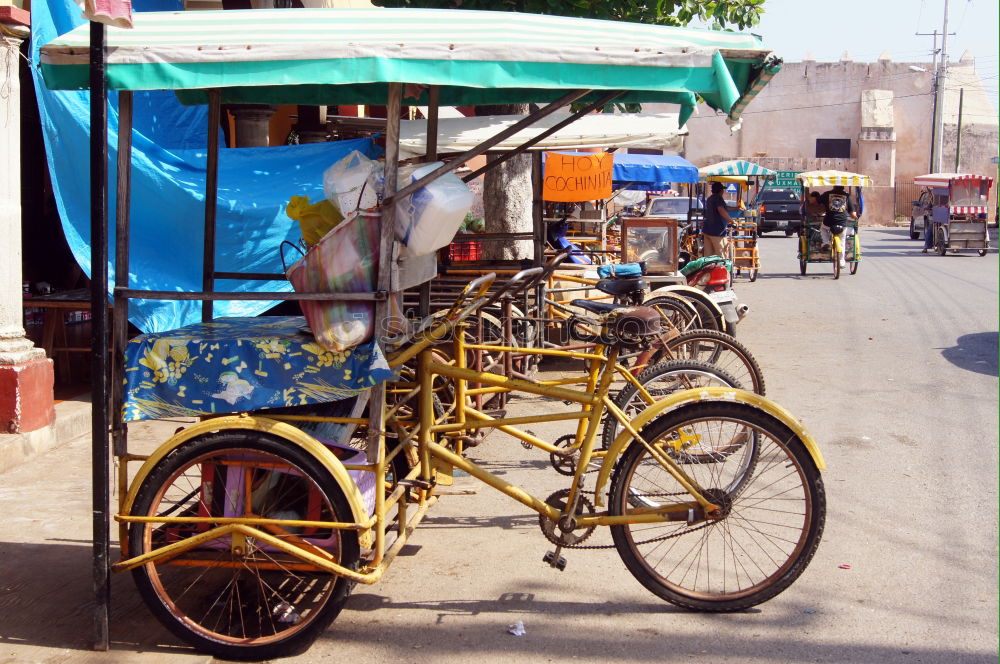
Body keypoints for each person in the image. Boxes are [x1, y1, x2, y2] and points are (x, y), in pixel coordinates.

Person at [818, 185, 857, 267]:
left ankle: (826, 242)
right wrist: (856, 218)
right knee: (842, 241)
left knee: (822, 228)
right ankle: (842, 261)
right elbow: (852, 213)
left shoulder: (827, 194)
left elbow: (817, 201)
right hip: (842, 223)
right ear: (843, 187)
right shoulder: (846, 196)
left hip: (829, 222)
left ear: (834, 186)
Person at [702, 181, 734, 258]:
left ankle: (709, 269)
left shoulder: (710, 199)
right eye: (722, 190)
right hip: (717, 232)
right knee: (720, 254)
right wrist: (731, 220)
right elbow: (721, 209)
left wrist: (736, 208)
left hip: (707, 230)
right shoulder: (718, 198)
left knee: (708, 256)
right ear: (720, 190)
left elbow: (723, 208)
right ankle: (722, 269)